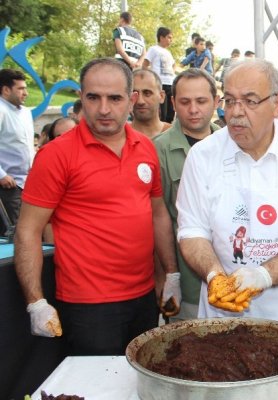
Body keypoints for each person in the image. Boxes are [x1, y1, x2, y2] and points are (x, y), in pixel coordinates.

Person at [13, 58, 181, 355]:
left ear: (131, 101)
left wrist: (170, 274)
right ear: (81, 97)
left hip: (143, 299)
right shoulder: (56, 155)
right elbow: (28, 230)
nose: (104, 109)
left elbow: (158, 216)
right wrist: (36, 302)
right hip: (87, 306)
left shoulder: (145, 148)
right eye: (94, 97)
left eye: (114, 98)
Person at [176, 59, 278, 345]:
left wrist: (263, 276)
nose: (236, 113)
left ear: (277, 105)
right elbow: (192, 230)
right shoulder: (202, 156)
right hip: (222, 322)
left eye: (250, 101)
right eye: (230, 100)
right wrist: (215, 277)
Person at [153, 69, 220, 321]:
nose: (193, 109)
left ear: (216, 102)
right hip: (189, 283)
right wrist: (166, 278)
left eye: (201, 101)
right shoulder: (158, 150)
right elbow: (157, 219)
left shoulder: (234, 143)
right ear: (172, 103)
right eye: (185, 102)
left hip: (235, 276)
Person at [0, 69, 34, 236]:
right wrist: (1, 175)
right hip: (9, 185)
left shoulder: (25, 113)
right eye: (20, 89)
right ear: (6, 90)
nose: (25, 93)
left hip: (28, 182)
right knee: (17, 234)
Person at [143, 26, 176, 123]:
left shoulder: (168, 52)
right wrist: (148, 79)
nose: (171, 40)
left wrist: (172, 73)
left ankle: (168, 131)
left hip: (170, 83)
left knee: (171, 112)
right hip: (160, 84)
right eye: (169, 37)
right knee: (162, 112)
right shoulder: (153, 49)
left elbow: (173, 65)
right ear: (161, 37)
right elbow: (145, 64)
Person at [131, 69, 171, 138]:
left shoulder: (176, 135)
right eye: (135, 94)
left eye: (147, 93)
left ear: (161, 96)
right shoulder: (117, 136)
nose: (140, 101)